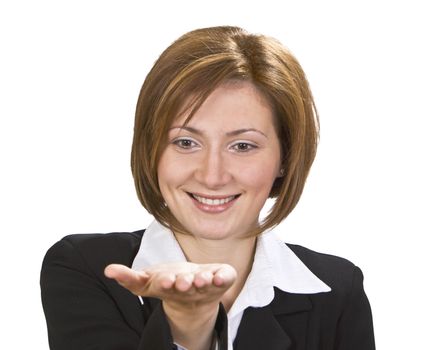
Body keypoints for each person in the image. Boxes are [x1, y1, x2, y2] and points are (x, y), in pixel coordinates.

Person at [41, 26, 375, 350]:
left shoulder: (337, 291)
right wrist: (189, 332)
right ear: (152, 150)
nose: (212, 176)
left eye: (243, 146)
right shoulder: (86, 270)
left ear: (285, 157)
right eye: (186, 142)